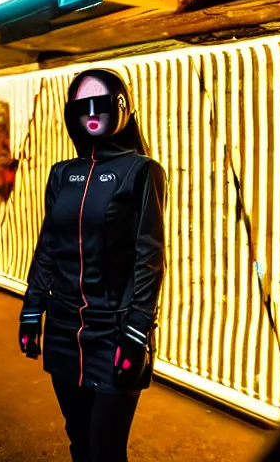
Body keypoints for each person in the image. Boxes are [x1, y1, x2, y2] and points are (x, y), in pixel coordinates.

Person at [18, 68, 167, 462]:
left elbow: (149, 259)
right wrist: (31, 311)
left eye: (102, 103)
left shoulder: (142, 172)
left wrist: (137, 332)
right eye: (82, 105)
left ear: (122, 108)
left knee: (105, 450)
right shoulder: (62, 174)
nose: (92, 113)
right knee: (79, 442)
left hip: (116, 333)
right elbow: (48, 245)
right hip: (64, 330)